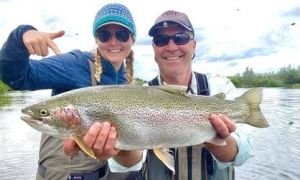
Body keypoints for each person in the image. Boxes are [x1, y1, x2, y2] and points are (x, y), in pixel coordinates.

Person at [0, 3, 144, 180]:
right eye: (104, 35)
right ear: (96, 39)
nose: (113, 42)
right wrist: (21, 37)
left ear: (132, 39)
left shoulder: (127, 83)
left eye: (122, 35)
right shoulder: (75, 63)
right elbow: (17, 77)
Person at [142, 10, 254, 180]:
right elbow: (128, 163)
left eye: (180, 38)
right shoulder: (139, 94)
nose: (171, 47)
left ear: (193, 45)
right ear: (154, 48)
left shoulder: (220, 87)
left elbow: (243, 152)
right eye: (161, 40)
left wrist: (216, 139)